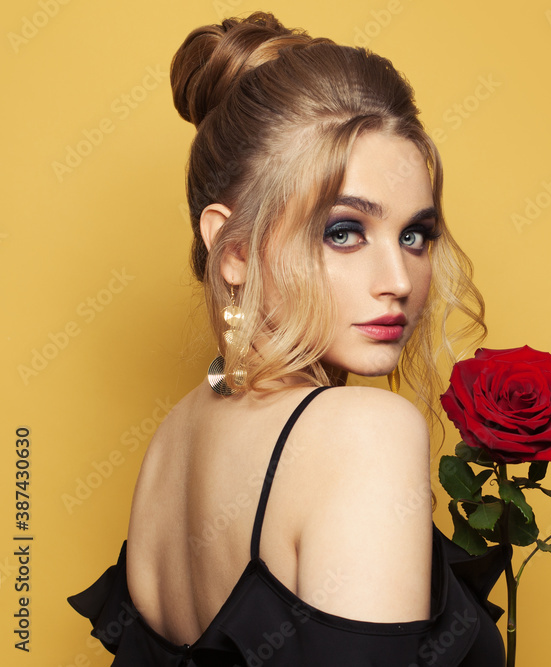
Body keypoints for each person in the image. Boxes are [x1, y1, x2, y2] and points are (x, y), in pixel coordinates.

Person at [68, 12, 509, 666]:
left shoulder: (171, 443)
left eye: (414, 235)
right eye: (344, 231)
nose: (398, 280)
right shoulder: (365, 431)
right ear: (234, 248)